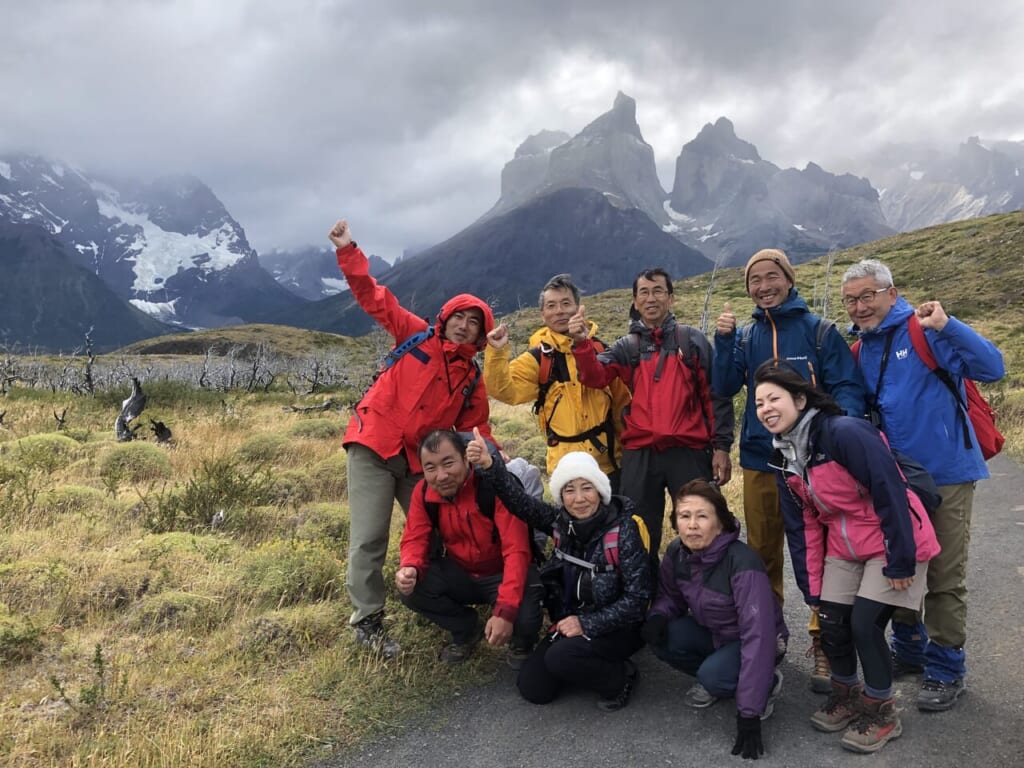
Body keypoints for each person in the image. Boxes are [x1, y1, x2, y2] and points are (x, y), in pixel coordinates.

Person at [840, 259, 1005, 712]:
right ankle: (910, 651)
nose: (859, 307)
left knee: (946, 576)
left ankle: (946, 666)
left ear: (891, 294)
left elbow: (993, 367)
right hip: (896, 482)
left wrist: (949, 326)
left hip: (947, 473)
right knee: (903, 566)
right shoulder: (858, 351)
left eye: (867, 295)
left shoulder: (925, 331)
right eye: (851, 300)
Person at [328, 219, 497, 658]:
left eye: (472, 323)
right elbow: (373, 296)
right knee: (370, 536)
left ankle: (445, 607)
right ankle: (367, 621)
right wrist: (348, 249)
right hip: (372, 447)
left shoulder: (471, 378)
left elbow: (480, 429)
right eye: (458, 317)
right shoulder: (414, 334)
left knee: (437, 535)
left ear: (481, 335)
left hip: (419, 462)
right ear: (445, 318)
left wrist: (491, 457)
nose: (463, 326)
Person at [755, 361, 941, 753]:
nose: (766, 408)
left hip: (893, 541)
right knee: (832, 623)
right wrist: (812, 589)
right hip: (845, 547)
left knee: (863, 624)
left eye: (774, 398)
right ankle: (848, 693)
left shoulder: (843, 432)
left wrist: (901, 559)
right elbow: (803, 527)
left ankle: (881, 710)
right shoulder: (784, 456)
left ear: (800, 399)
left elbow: (889, 488)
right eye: (758, 403)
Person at [713, 248, 867, 691]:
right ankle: (769, 635)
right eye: (754, 280)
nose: (763, 285)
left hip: (813, 466)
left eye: (771, 276)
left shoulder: (819, 332)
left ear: (788, 278)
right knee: (762, 555)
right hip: (762, 459)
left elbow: (847, 390)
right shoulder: (744, 337)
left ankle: (825, 642)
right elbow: (722, 386)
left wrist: (836, 440)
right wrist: (723, 344)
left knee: (817, 553)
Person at [466, 431, 650, 711]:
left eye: (586, 487)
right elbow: (520, 502)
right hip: (572, 624)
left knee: (560, 658)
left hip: (619, 629)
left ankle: (621, 676)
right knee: (533, 688)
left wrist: (586, 625)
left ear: (600, 490)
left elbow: (637, 601)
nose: (579, 499)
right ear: (561, 496)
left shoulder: (623, 531)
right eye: (569, 490)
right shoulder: (560, 523)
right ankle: (581, 662)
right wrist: (490, 465)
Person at [568, 267, 734, 555]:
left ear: (671, 298)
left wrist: (721, 447)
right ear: (635, 301)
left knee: (702, 525)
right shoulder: (626, 347)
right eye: (643, 292)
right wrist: (582, 345)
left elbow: (715, 395)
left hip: (689, 450)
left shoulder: (691, 341)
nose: (651, 298)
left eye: (658, 291)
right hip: (641, 455)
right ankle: (646, 597)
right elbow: (595, 377)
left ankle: (707, 594)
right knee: (638, 532)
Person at [643, 479, 787, 761]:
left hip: (758, 641)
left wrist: (749, 713)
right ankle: (722, 676)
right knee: (665, 637)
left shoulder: (742, 563)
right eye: (684, 516)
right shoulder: (677, 552)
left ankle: (763, 683)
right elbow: (671, 596)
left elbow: (758, 637)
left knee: (713, 676)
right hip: (715, 633)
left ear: (720, 523)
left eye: (702, 516)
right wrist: (658, 616)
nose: (692, 525)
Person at [395, 430, 543, 667]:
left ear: (466, 458)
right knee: (412, 589)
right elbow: (415, 537)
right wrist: (409, 567)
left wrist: (505, 612)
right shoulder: (423, 492)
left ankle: (522, 641)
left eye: (448, 463)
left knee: (524, 617)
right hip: (462, 573)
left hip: (503, 571)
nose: (441, 476)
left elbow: (517, 551)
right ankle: (466, 629)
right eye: (430, 467)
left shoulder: (494, 487)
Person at [484, 273, 631, 489]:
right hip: (565, 468)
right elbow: (503, 390)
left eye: (565, 303)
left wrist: (630, 453)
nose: (559, 311)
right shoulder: (538, 359)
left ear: (578, 308)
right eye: (551, 306)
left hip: (608, 464)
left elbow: (621, 406)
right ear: (543, 314)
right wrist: (497, 352)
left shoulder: (601, 351)